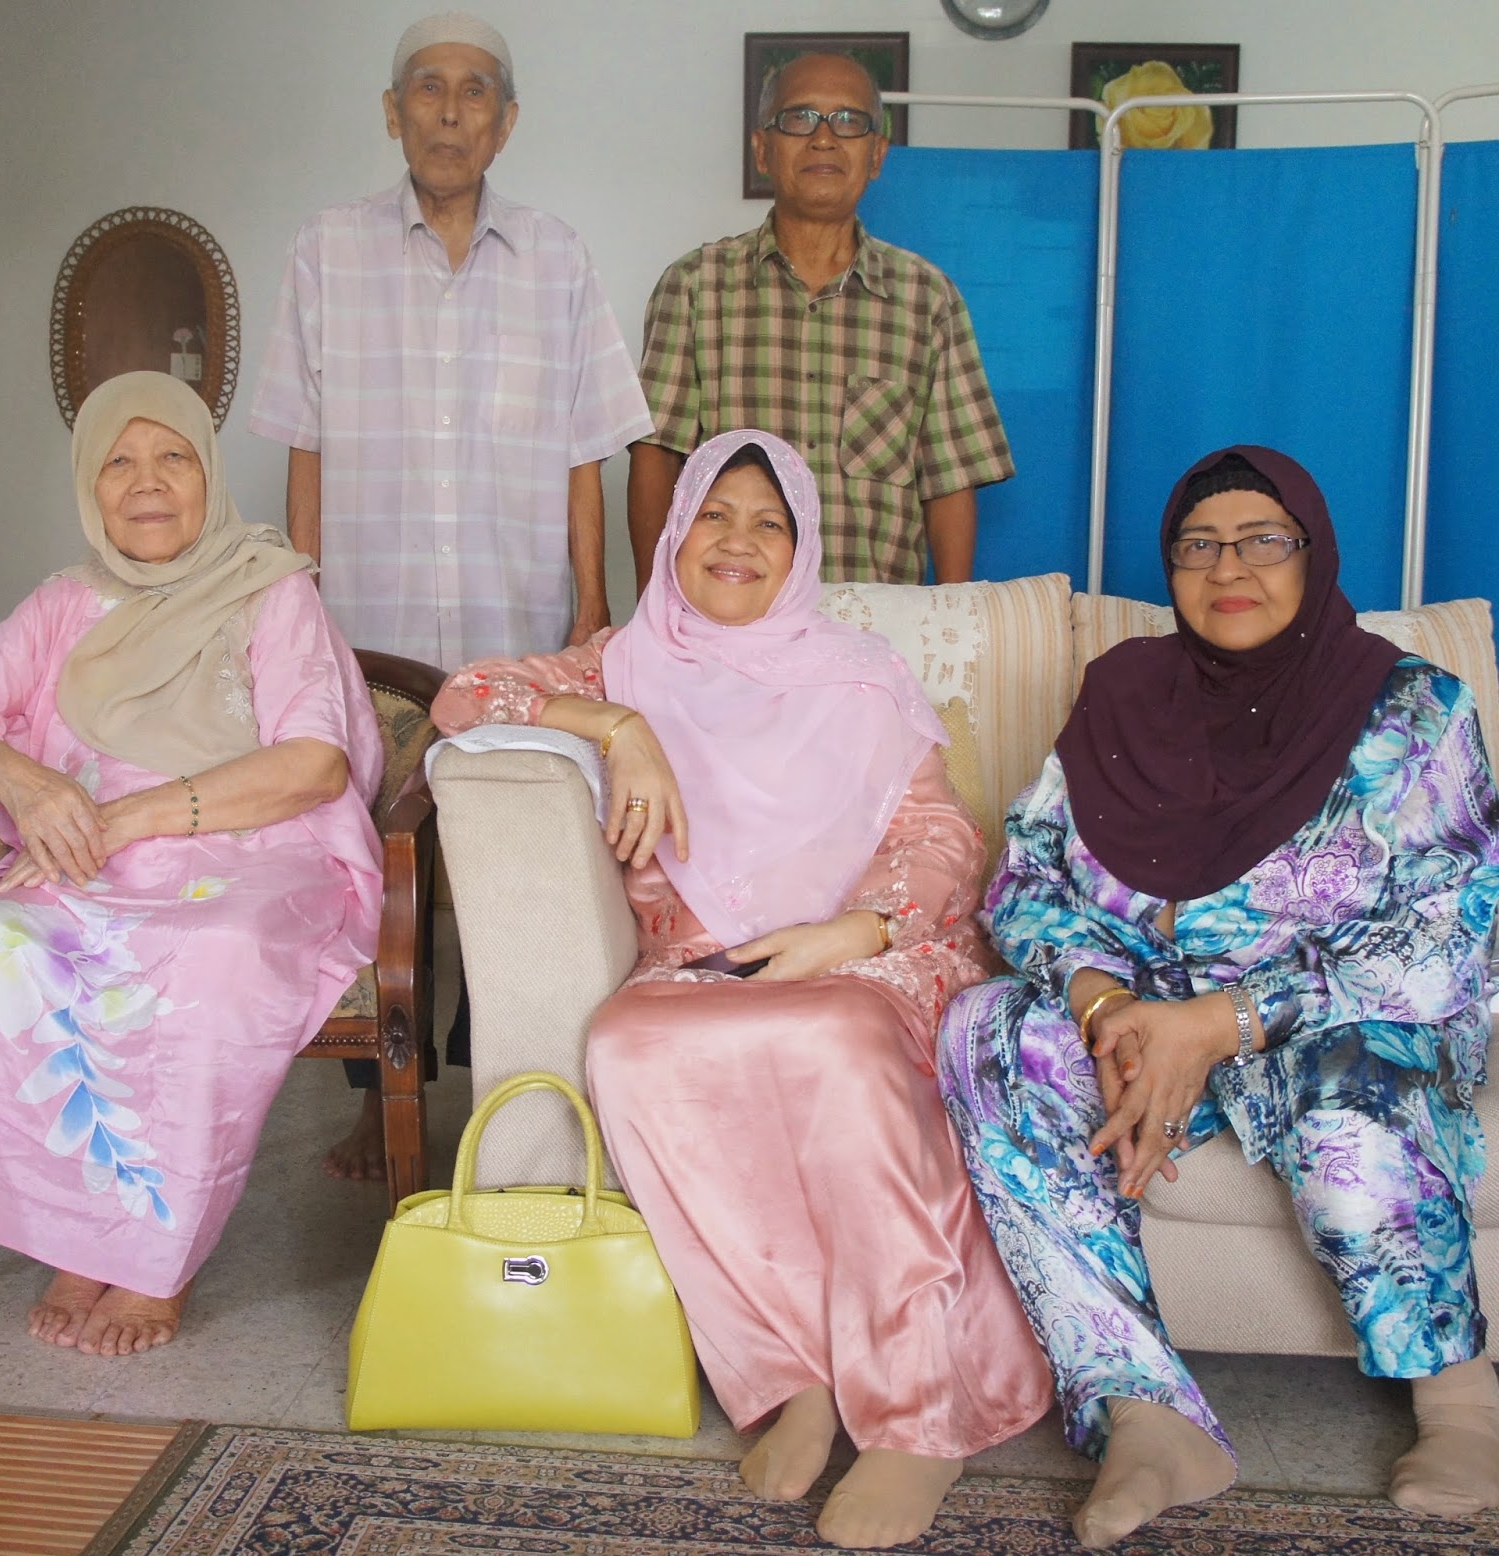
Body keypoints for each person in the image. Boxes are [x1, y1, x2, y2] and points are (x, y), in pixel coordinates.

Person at [432, 429, 1052, 1550]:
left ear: (801, 550)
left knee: (836, 1040)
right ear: (674, 536)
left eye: (770, 522)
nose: (738, 540)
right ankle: (792, 1375)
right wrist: (617, 725)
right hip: (700, 966)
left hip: (859, 953)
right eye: (715, 515)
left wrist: (849, 931)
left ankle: (918, 1412)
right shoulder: (624, 662)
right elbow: (464, 695)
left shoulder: (857, 674)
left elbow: (943, 835)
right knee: (627, 1047)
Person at [936, 446, 1499, 1548]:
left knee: (1345, 1105)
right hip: (1144, 1012)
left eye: (1261, 540)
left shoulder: (1413, 711)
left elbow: (1453, 931)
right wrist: (1106, 1009)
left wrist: (1222, 1021)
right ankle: (1146, 1414)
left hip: (1333, 1019)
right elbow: (1027, 880)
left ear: (1313, 552)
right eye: (1197, 545)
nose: (1226, 567)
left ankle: (1460, 1400)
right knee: (987, 1030)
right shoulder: (1124, 691)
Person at [0, 371, 384, 1358]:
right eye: (118, 461)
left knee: (210, 950)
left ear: (209, 473)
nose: (148, 481)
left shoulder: (271, 589)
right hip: (92, 856)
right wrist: (24, 780)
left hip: (255, 853)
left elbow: (314, 764)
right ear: (91, 484)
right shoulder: (64, 601)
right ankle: (79, 1234)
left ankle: (153, 1257)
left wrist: (126, 819)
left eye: (173, 455)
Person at [248, 11, 651, 1175]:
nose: (450, 110)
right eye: (428, 88)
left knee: (507, 861)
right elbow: (305, 444)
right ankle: (380, 1106)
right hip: (365, 624)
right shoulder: (327, 249)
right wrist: (301, 607)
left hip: (512, 629)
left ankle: (495, 1102)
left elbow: (586, 452)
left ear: (506, 122)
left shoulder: (558, 257)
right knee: (374, 860)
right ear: (393, 113)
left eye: (476, 91)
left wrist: (588, 608)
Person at [628, 50, 1011, 595]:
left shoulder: (926, 298)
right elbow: (656, 457)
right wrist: (656, 607)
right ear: (763, 150)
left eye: (849, 121)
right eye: (799, 118)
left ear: (877, 155)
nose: (824, 139)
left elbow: (950, 481)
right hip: (729, 618)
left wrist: (952, 614)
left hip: (875, 621)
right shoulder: (695, 286)